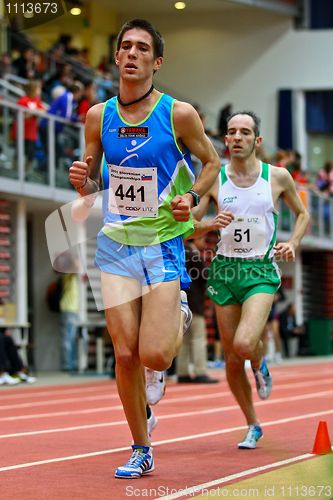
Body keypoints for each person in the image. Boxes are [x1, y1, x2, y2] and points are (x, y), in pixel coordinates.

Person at [68, 18, 220, 478]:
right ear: (116, 58)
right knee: (126, 353)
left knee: (155, 355)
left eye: (141, 48)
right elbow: (94, 179)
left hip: (161, 243)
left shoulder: (179, 114)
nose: (132, 54)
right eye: (125, 47)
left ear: (156, 62)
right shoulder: (98, 116)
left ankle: (179, 315)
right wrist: (84, 182)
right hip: (116, 244)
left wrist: (191, 199)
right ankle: (141, 444)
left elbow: (211, 163)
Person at [191, 111, 310, 450]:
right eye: (231, 132)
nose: (237, 137)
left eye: (245, 132)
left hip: (259, 269)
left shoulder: (277, 177)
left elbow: (302, 213)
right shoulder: (214, 179)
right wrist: (211, 224)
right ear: (225, 140)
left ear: (257, 141)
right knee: (230, 357)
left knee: (244, 345)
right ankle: (252, 423)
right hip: (226, 270)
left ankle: (259, 363)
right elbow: (191, 224)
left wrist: (293, 242)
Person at [177, 235, 219, 383]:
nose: (205, 242)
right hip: (193, 303)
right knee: (198, 338)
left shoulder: (182, 251)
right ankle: (200, 371)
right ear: (195, 239)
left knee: (184, 340)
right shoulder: (192, 254)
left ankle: (182, 372)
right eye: (202, 239)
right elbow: (204, 275)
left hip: (181, 303)